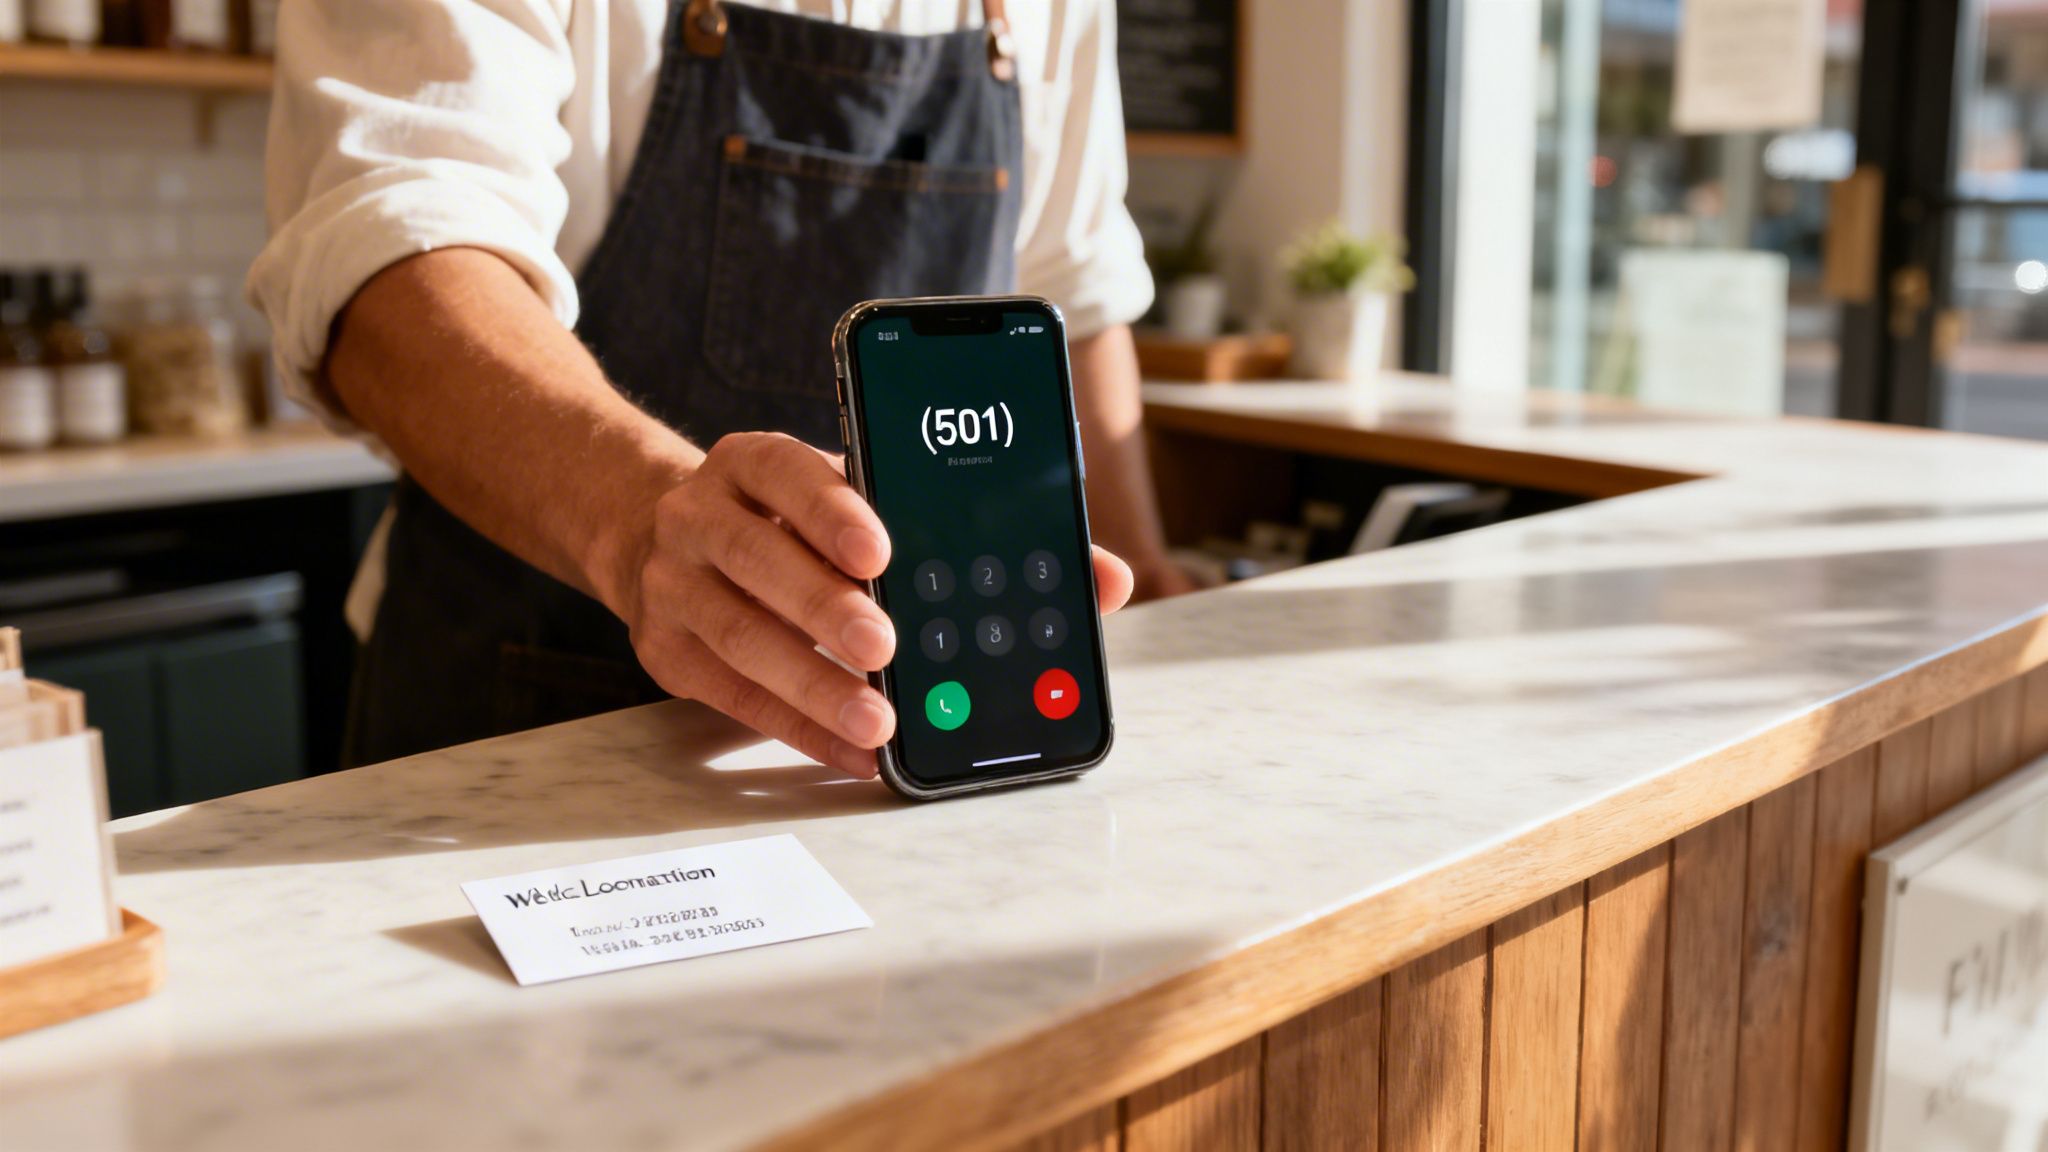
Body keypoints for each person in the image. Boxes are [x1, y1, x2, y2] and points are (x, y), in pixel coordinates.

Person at [249, 0, 1191, 778]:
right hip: (519, 728)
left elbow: (1073, 289)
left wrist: (1144, 576)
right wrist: (639, 520)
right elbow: (386, 248)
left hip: (910, 738)